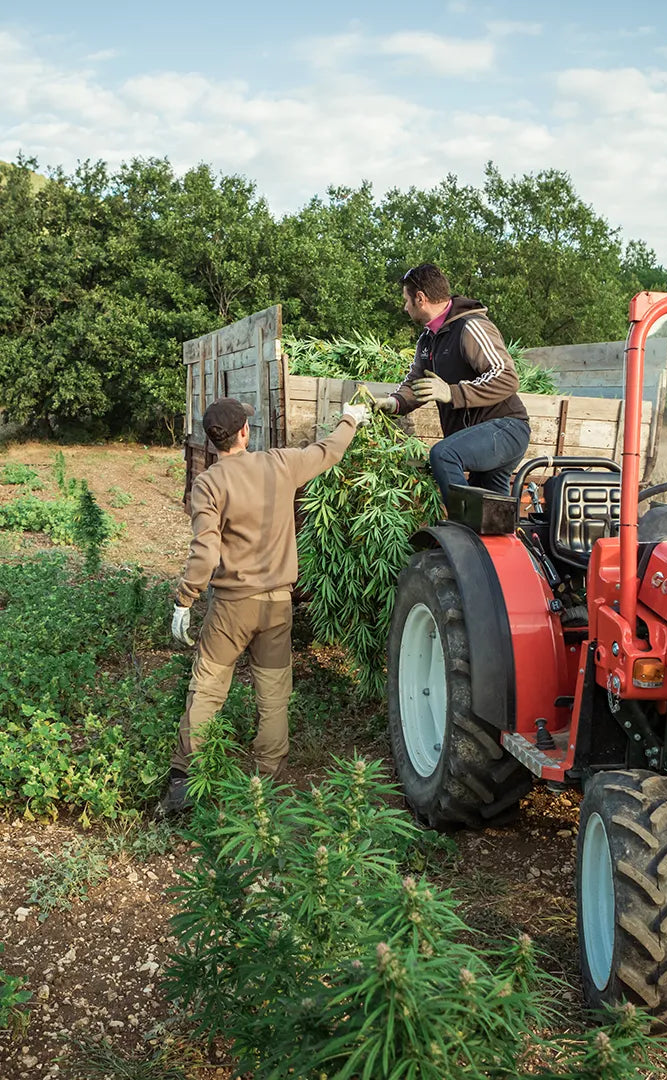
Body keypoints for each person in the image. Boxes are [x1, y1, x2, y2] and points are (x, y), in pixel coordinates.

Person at [160, 395, 370, 815]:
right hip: (277, 606)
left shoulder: (209, 483)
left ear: (213, 439)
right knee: (273, 696)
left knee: (207, 691)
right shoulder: (280, 464)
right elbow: (328, 450)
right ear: (244, 432)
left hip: (231, 610)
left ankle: (184, 782)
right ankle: (266, 781)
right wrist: (350, 417)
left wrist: (184, 600)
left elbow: (204, 553)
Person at [372, 263, 531, 505]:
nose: (405, 308)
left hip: (506, 428)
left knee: (444, 454)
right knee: (491, 513)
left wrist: (452, 392)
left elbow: (506, 376)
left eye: (406, 300)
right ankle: (485, 537)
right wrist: (395, 402)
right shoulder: (427, 340)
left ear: (420, 298)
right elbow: (417, 381)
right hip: (479, 435)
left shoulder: (471, 326)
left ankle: (461, 533)